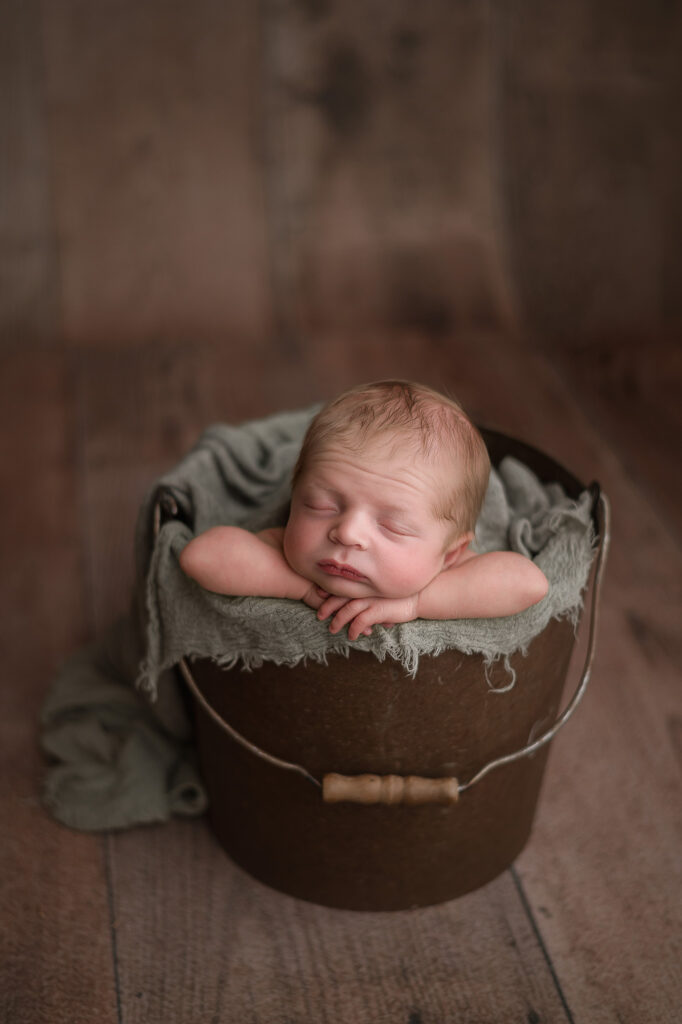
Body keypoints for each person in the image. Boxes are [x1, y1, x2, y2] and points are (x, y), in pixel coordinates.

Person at [179, 381, 549, 641]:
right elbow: (201, 557)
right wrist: (299, 587)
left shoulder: (450, 568)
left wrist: (417, 601)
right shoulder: (284, 549)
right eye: (320, 505)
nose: (347, 533)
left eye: (393, 526)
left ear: (449, 553)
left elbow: (529, 583)